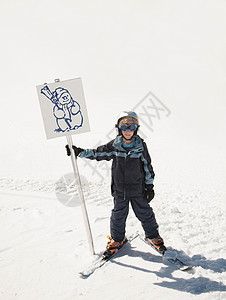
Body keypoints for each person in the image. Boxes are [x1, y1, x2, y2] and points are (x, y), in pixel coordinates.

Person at [66, 111, 166, 258]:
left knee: (145, 213)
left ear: (136, 128)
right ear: (119, 128)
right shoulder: (115, 145)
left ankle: (153, 236)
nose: (128, 131)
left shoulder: (141, 147)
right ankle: (117, 240)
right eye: (124, 126)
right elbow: (98, 153)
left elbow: (147, 167)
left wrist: (149, 186)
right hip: (120, 190)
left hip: (138, 189)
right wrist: (79, 152)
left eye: (131, 126)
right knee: (118, 216)